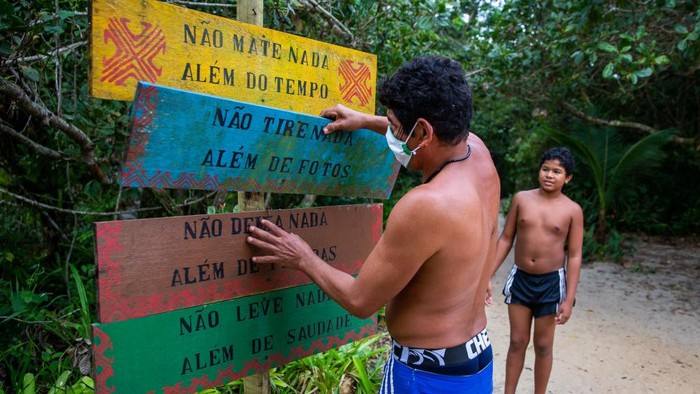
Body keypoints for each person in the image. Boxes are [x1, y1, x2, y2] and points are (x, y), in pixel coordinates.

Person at [246, 56, 500, 393]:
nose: (393, 135)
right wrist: (365, 120)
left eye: (396, 127)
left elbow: (360, 300)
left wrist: (302, 256)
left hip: (425, 377)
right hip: (475, 361)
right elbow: (425, 132)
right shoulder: (478, 154)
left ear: (423, 131)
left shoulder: (427, 205)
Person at [489, 146, 584, 394]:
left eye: (557, 171)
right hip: (520, 278)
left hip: (551, 284)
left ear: (568, 177)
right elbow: (506, 238)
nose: (549, 175)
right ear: (538, 171)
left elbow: (574, 255)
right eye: (545, 169)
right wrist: (486, 275)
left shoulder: (572, 210)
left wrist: (569, 299)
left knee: (543, 345)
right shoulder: (522, 199)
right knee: (517, 341)